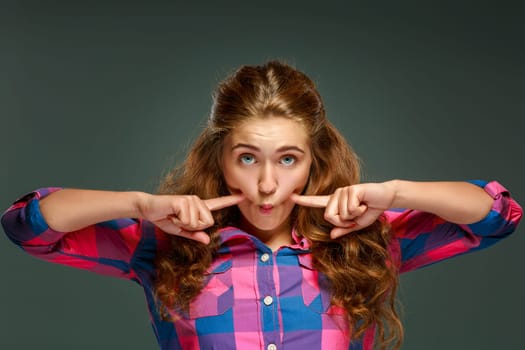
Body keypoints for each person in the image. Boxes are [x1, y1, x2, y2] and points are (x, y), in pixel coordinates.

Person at [1, 60, 522, 350]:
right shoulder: (167, 243)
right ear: (220, 159)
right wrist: (140, 204)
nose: (268, 184)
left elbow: (498, 216)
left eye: (288, 159)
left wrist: (396, 194)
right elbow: (31, 225)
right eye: (248, 158)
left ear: (316, 161)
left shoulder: (365, 238)